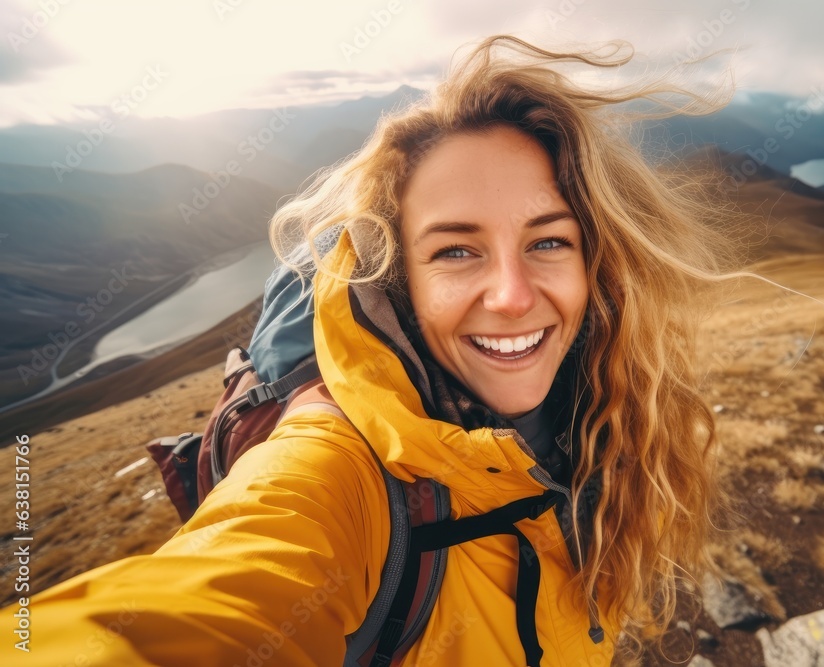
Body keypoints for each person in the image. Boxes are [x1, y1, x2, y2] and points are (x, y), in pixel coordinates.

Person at [2, 35, 754, 666]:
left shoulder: (598, 413)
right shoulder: (336, 467)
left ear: (598, 258)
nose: (514, 295)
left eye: (549, 240)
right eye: (457, 252)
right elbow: (206, 600)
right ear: (401, 281)